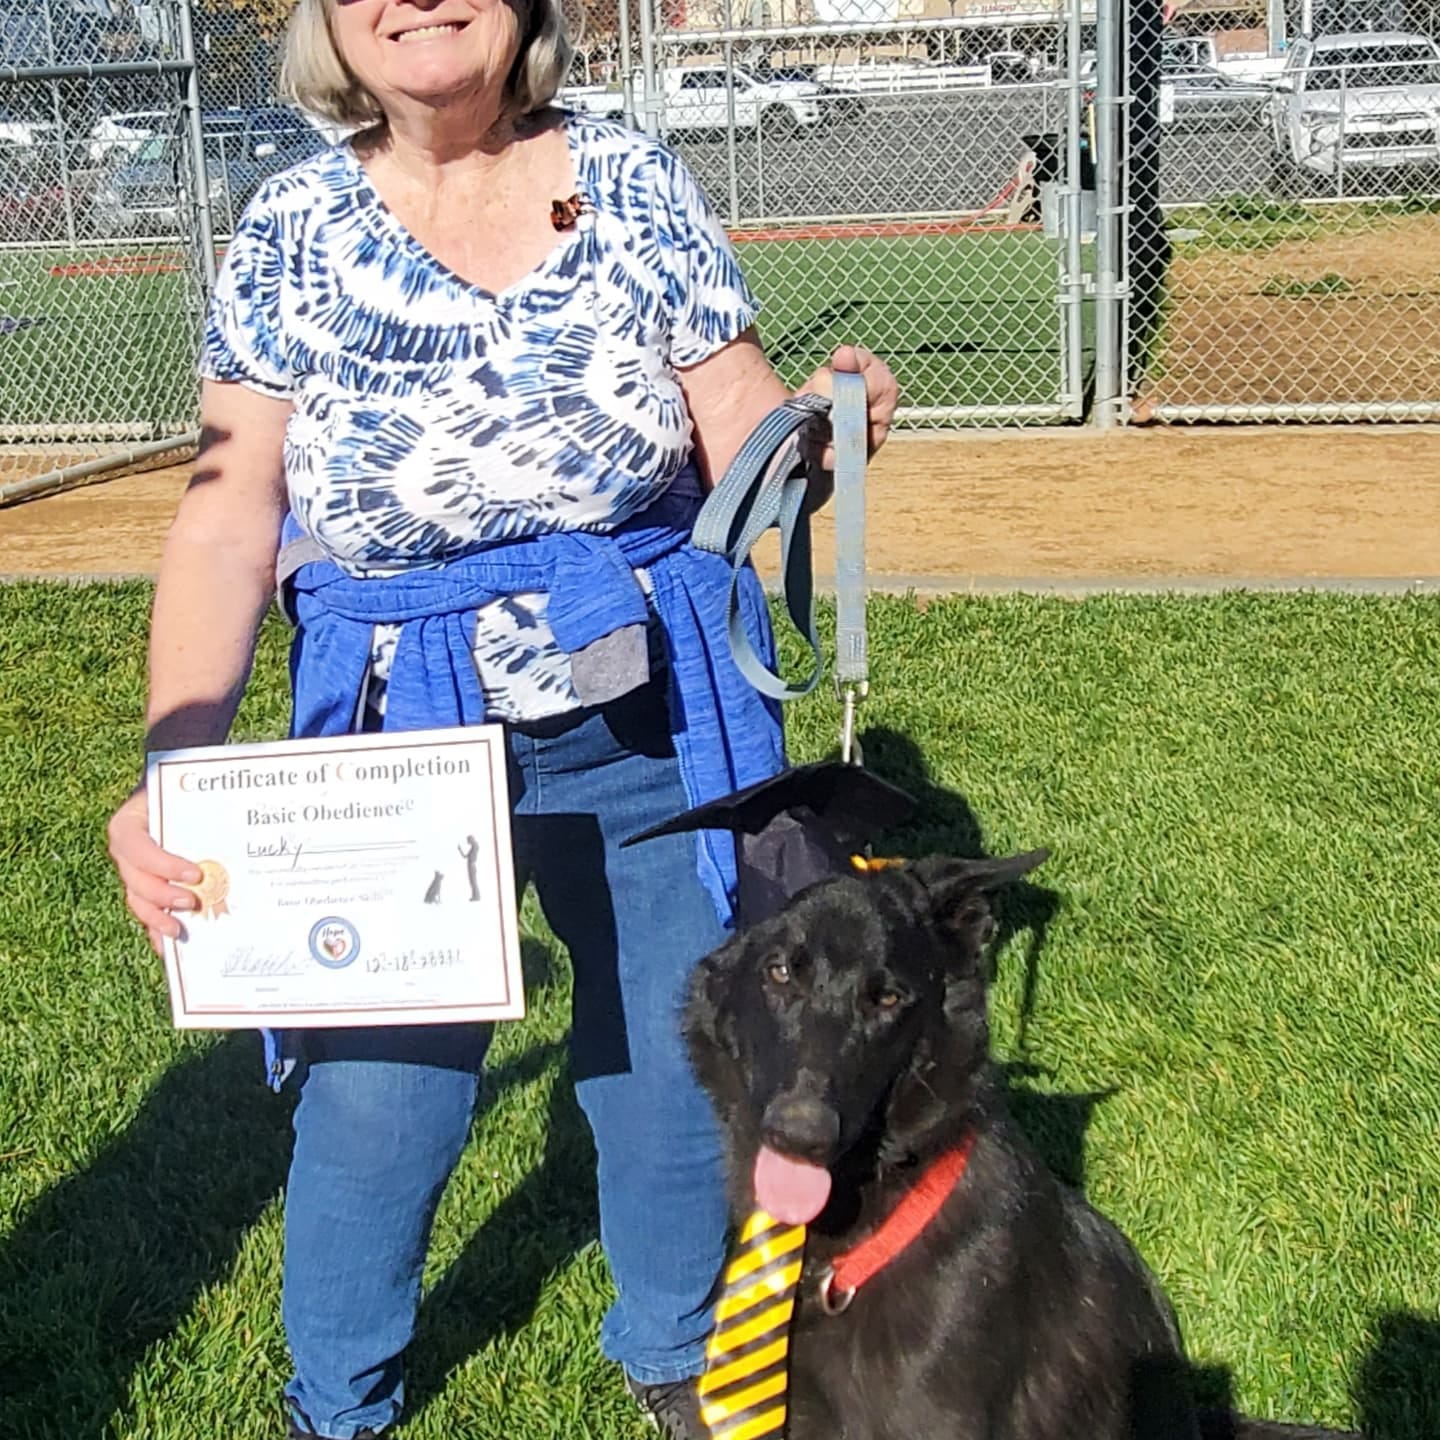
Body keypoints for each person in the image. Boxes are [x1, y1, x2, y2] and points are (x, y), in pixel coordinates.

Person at [103, 0, 898, 1435]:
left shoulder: (633, 179)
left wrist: (819, 436)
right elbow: (229, 518)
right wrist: (175, 761)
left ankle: (675, 1349)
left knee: (674, 1055)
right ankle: (338, 1400)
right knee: (380, 1097)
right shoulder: (286, 227)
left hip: (650, 708)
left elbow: (745, 449)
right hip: (398, 733)